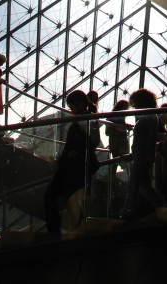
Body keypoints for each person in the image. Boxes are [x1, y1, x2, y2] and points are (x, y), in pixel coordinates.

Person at [44, 89, 100, 234]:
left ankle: (59, 232)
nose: (70, 109)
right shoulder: (88, 118)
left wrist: (74, 151)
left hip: (74, 168)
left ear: (79, 103)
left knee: (58, 197)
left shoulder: (85, 119)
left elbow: (91, 141)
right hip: (75, 167)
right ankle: (73, 232)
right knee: (71, 201)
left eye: (71, 105)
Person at [120, 88, 163, 219]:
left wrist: (149, 154)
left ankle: (128, 213)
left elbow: (151, 137)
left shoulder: (148, 116)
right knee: (141, 186)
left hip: (141, 157)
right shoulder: (150, 115)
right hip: (141, 156)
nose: (133, 105)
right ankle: (162, 208)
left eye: (134, 102)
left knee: (136, 186)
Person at [105, 98, 131, 177]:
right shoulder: (119, 115)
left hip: (114, 141)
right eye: (125, 107)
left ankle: (111, 176)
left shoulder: (114, 115)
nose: (126, 109)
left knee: (116, 158)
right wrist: (124, 127)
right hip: (118, 141)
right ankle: (116, 176)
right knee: (121, 159)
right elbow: (117, 127)